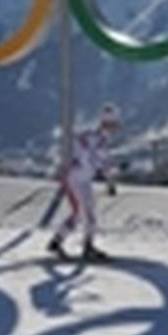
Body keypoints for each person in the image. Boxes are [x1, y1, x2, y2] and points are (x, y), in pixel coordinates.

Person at [46, 104, 121, 262]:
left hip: (83, 180)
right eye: (114, 124)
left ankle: (61, 242)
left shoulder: (98, 138)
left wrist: (109, 179)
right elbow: (96, 160)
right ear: (107, 123)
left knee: (86, 212)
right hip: (75, 180)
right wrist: (109, 178)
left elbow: (100, 162)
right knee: (82, 212)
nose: (116, 128)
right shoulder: (94, 138)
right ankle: (80, 246)